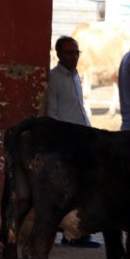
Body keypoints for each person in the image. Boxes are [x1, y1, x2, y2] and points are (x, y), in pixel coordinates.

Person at [44, 36, 100, 248]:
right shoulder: (54, 78)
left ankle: (76, 231)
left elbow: (78, 109)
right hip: (67, 142)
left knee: (83, 187)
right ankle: (71, 234)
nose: (74, 57)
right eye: (70, 53)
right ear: (58, 54)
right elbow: (53, 114)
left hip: (83, 139)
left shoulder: (76, 77)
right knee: (70, 189)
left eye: (77, 53)